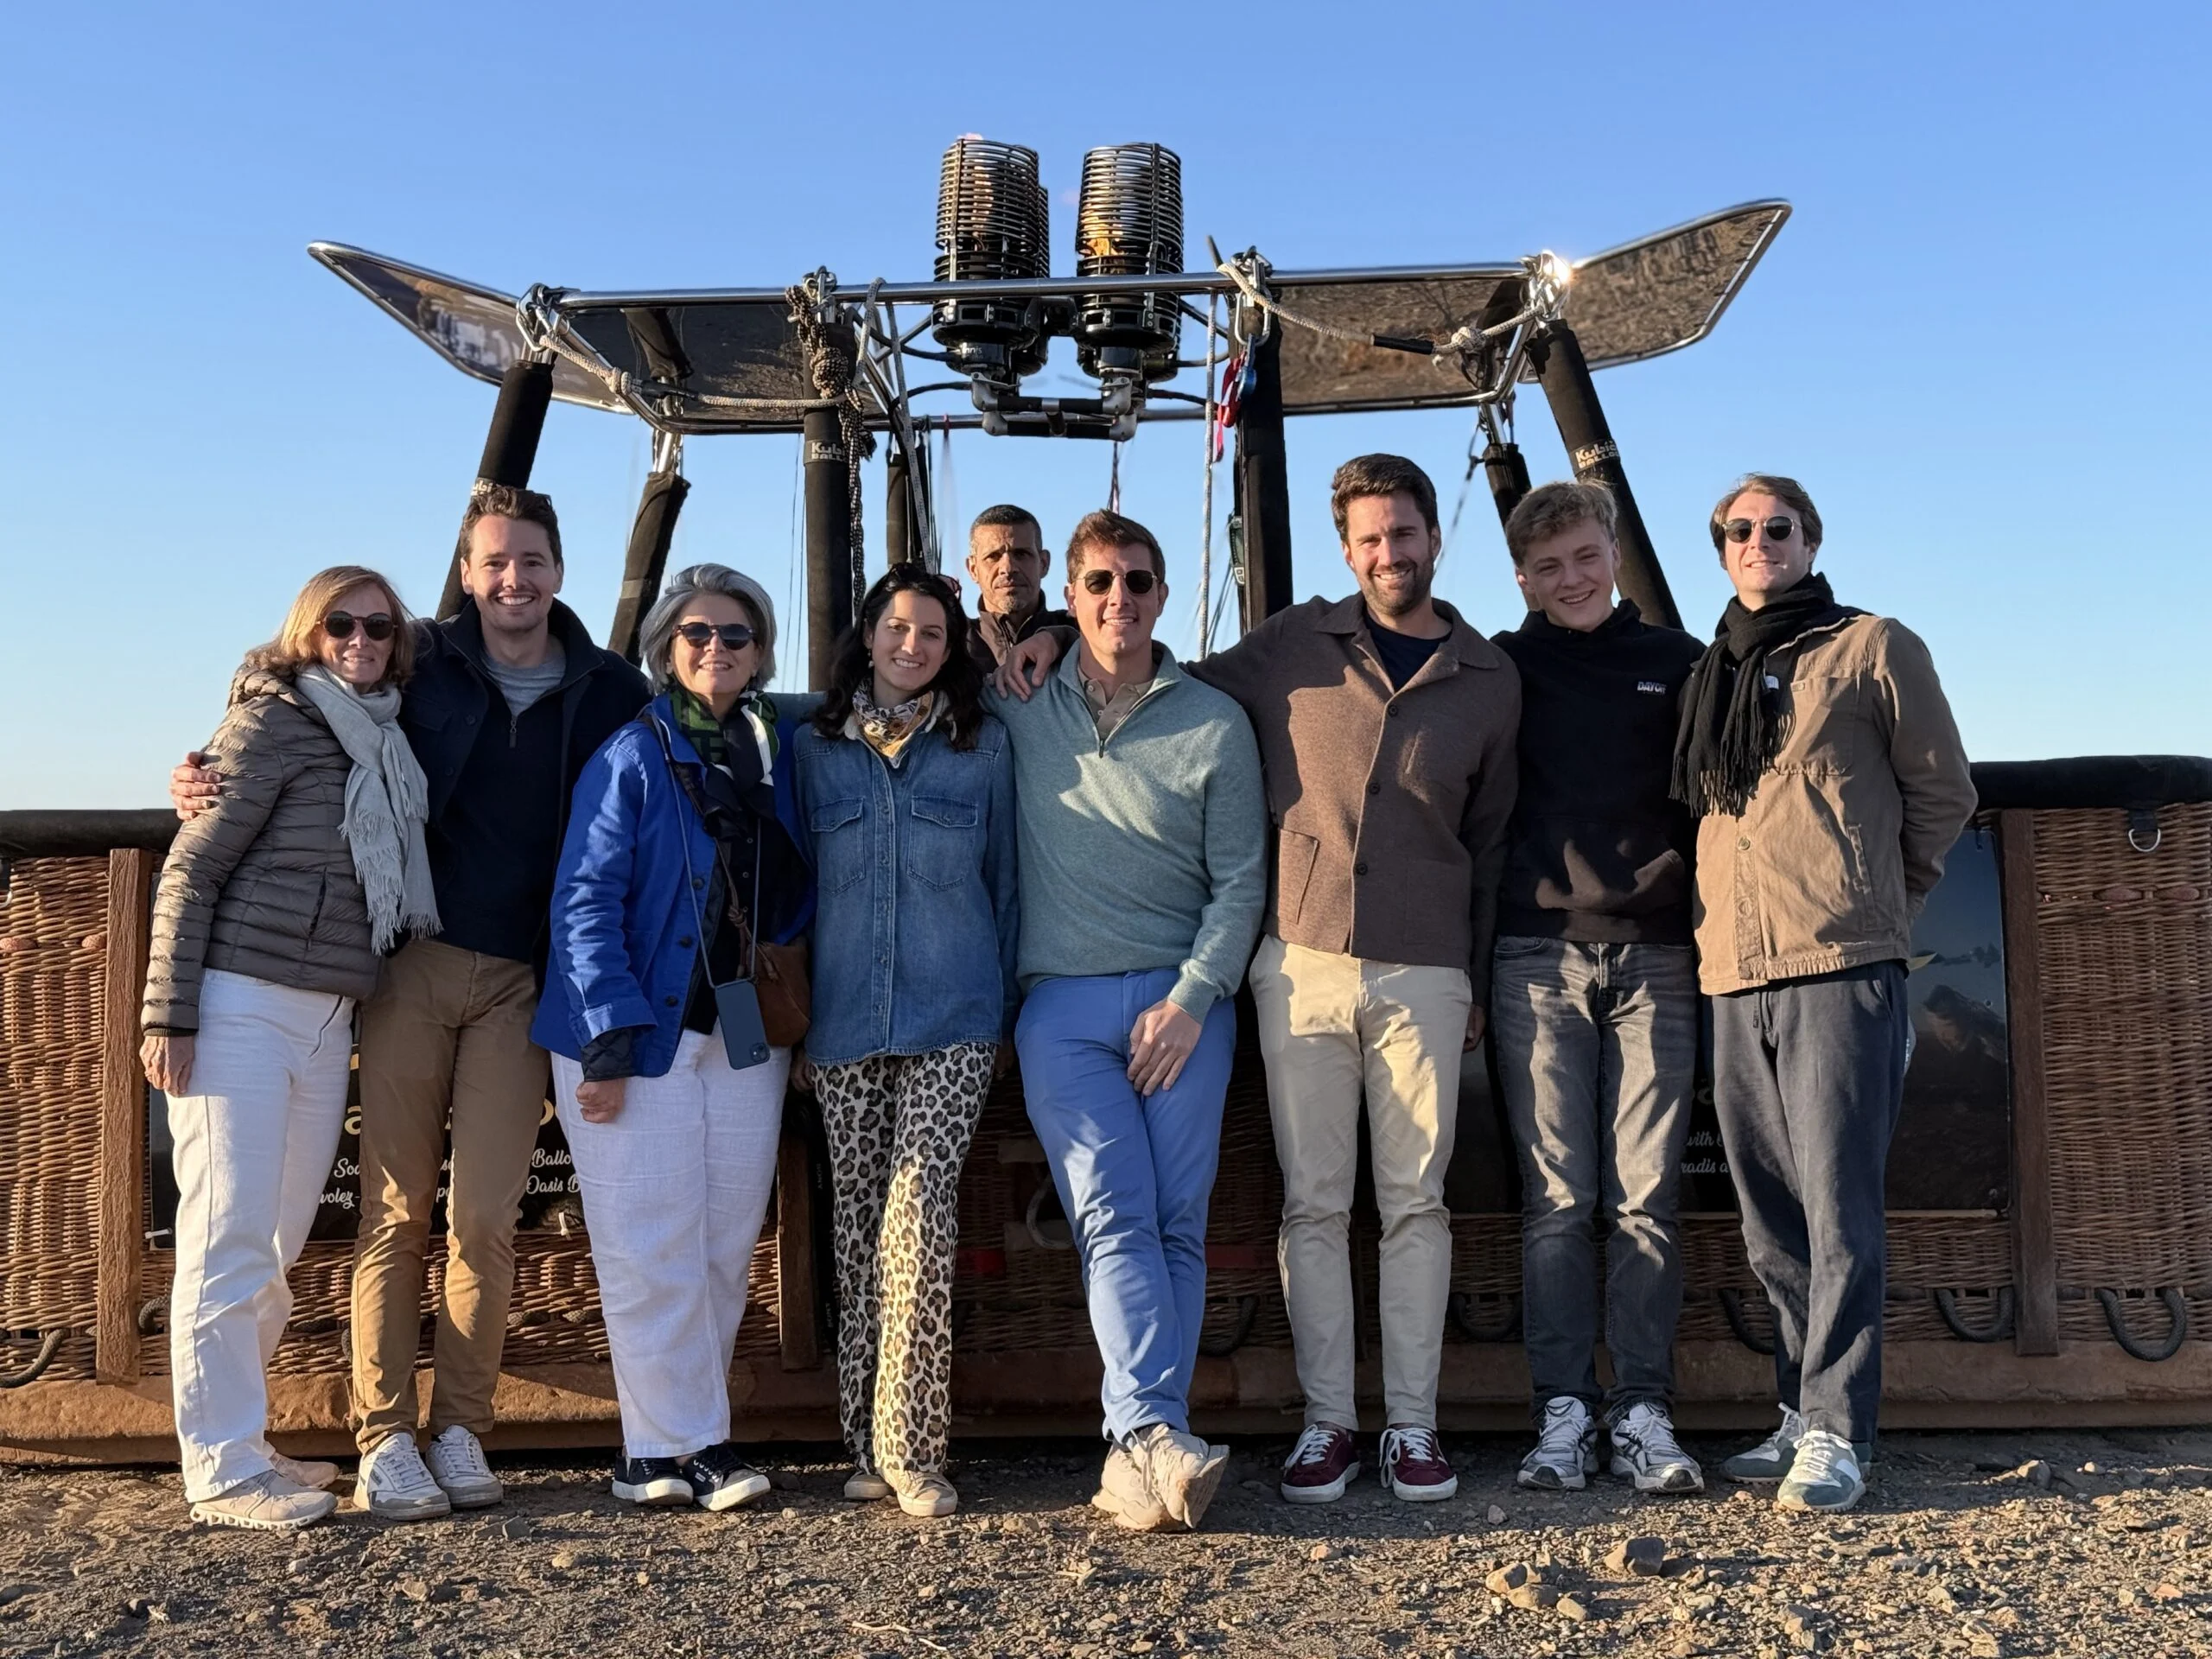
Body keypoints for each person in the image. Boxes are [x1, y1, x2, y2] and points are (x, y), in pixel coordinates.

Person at [1003, 456, 1518, 1506]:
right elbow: (1158, 668)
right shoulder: (1290, 643)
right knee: (1311, 1205)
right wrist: (1047, 645)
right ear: (1347, 549)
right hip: (1302, 961)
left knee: (1415, 1202)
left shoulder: (1488, 676)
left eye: (1403, 533)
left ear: (1432, 537)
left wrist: (1471, 965)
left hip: (1422, 963)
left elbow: (1495, 837)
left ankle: (1410, 1428)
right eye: (1369, 537)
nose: (1389, 552)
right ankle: (1321, 1423)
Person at [172, 486, 650, 1519]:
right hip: (410, 970)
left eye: (530, 560)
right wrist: (200, 767)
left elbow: (704, 740)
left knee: (484, 1216)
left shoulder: (612, 688)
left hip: (524, 981)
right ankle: (383, 1433)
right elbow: (295, 681)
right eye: (492, 562)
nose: (512, 580)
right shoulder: (426, 660)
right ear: (469, 573)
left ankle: (464, 1427)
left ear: (558, 570)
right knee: (394, 1211)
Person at [1675, 474, 1975, 1514]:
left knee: (1839, 1207)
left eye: (1779, 528)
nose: (1761, 543)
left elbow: (1943, 791)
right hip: (1731, 971)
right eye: (1740, 531)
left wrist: (1880, 899)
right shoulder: (1710, 673)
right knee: (1768, 1218)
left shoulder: (1872, 646)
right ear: (1721, 550)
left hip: (1839, 965)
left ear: (1810, 540)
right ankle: (1799, 1413)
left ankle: (1841, 1431)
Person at [143, 566, 436, 1529]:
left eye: (380, 627)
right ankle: (220, 1471)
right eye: (341, 624)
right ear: (306, 632)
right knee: (224, 1238)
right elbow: (192, 868)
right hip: (237, 1005)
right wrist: (168, 1015)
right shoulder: (267, 724)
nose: (361, 640)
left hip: (325, 1015)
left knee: (274, 1245)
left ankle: (244, 1440)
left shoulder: (385, 735)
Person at [991, 509, 1266, 1531]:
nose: (1120, 600)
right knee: (1110, 1212)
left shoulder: (1212, 721)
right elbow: (913, 640)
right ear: (1067, 595)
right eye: (1098, 582)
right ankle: (1150, 1431)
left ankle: (1142, 1448)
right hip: (1059, 1004)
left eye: (1138, 582)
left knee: (1174, 1223)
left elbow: (1241, 881)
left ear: (1161, 594)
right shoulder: (1018, 703)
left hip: (1184, 1003)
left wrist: (1194, 1002)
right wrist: (1031, 645)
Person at [532, 563, 815, 1512]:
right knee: (646, 1243)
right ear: (665, 648)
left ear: (760, 650)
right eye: (696, 633)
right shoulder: (632, 754)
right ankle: (673, 1449)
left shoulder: (774, 751)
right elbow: (584, 900)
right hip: (640, 1030)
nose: (716, 649)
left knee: (723, 1241)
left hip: (739, 1027)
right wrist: (606, 1041)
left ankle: (678, 1440)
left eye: (736, 635)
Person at [1488, 482, 1707, 1495]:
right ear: (1521, 578)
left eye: (1583, 556)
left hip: (1658, 954)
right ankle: (1563, 1412)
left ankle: (1645, 1411)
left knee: (1648, 1198)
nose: (1569, 579)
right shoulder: (1501, 668)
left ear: (1611, 551)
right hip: (1535, 954)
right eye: (1546, 567)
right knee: (1558, 1201)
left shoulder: (1679, 665)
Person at [795, 564, 1019, 1520]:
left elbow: (1006, 886)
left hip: (953, 1015)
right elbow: (794, 884)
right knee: (856, 1231)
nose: (912, 645)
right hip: (843, 1020)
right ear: (868, 635)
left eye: (931, 631)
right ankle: (862, 1445)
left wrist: (1004, 1011)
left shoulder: (983, 748)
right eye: (896, 627)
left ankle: (912, 1449)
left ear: (950, 644)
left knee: (918, 1222)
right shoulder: (809, 747)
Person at [963, 504, 1073, 672]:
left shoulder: (1081, 634)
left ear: (1044, 563)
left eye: (1021, 554)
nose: (1007, 568)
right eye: (993, 556)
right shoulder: (951, 644)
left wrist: (1063, 638)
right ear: (973, 569)